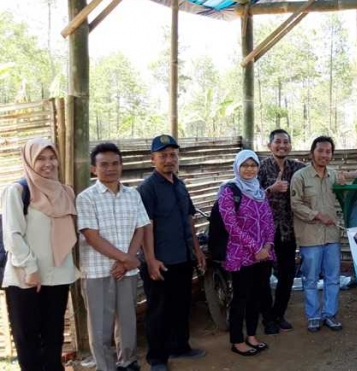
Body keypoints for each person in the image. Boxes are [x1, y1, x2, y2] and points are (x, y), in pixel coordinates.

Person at [2, 138, 78, 371]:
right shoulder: (17, 191)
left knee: (53, 337)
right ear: (29, 160)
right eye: (41, 158)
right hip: (26, 278)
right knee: (28, 340)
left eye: (52, 157)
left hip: (58, 275)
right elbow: (12, 234)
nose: (48, 163)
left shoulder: (65, 192)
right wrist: (30, 269)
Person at [137, 135, 206, 371]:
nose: (169, 159)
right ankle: (157, 359)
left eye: (173, 155)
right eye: (163, 155)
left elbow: (189, 218)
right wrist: (150, 260)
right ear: (152, 159)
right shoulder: (147, 189)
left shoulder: (179, 184)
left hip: (182, 258)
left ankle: (180, 346)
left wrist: (197, 250)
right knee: (158, 311)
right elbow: (144, 227)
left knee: (181, 305)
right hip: (159, 261)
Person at [77, 143, 147, 371]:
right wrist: (127, 259)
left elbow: (140, 228)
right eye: (104, 164)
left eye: (115, 163)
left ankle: (127, 362)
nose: (110, 168)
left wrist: (127, 261)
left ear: (121, 166)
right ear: (93, 169)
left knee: (127, 323)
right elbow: (91, 236)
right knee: (100, 327)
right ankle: (106, 367)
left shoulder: (133, 195)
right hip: (97, 271)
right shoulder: (86, 198)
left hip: (127, 271)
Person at [291, 136, 357, 333]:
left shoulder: (334, 176)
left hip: (332, 236)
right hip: (310, 236)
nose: (324, 155)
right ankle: (313, 316)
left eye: (328, 151)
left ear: (331, 154)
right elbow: (296, 205)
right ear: (312, 152)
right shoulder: (300, 177)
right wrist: (318, 216)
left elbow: (344, 196)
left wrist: (348, 183)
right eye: (320, 150)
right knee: (311, 278)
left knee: (332, 277)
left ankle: (330, 314)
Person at [219, 150, 275, 357]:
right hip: (241, 254)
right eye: (245, 165)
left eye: (253, 165)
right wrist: (255, 248)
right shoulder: (229, 191)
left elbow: (269, 221)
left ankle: (251, 335)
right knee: (241, 297)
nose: (249, 169)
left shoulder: (259, 191)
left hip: (263, 255)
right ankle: (236, 340)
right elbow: (231, 226)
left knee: (257, 296)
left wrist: (267, 247)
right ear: (237, 167)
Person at [258, 129, 306, 334]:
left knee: (287, 275)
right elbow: (249, 196)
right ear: (270, 146)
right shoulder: (258, 168)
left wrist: (353, 173)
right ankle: (267, 319)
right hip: (263, 233)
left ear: (290, 146)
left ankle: (279, 314)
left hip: (287, 231)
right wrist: (271, 189)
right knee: (263, 276)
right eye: (277, 142)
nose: (282, 145)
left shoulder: (296, 167)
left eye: (286, 142)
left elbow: (318, 172)